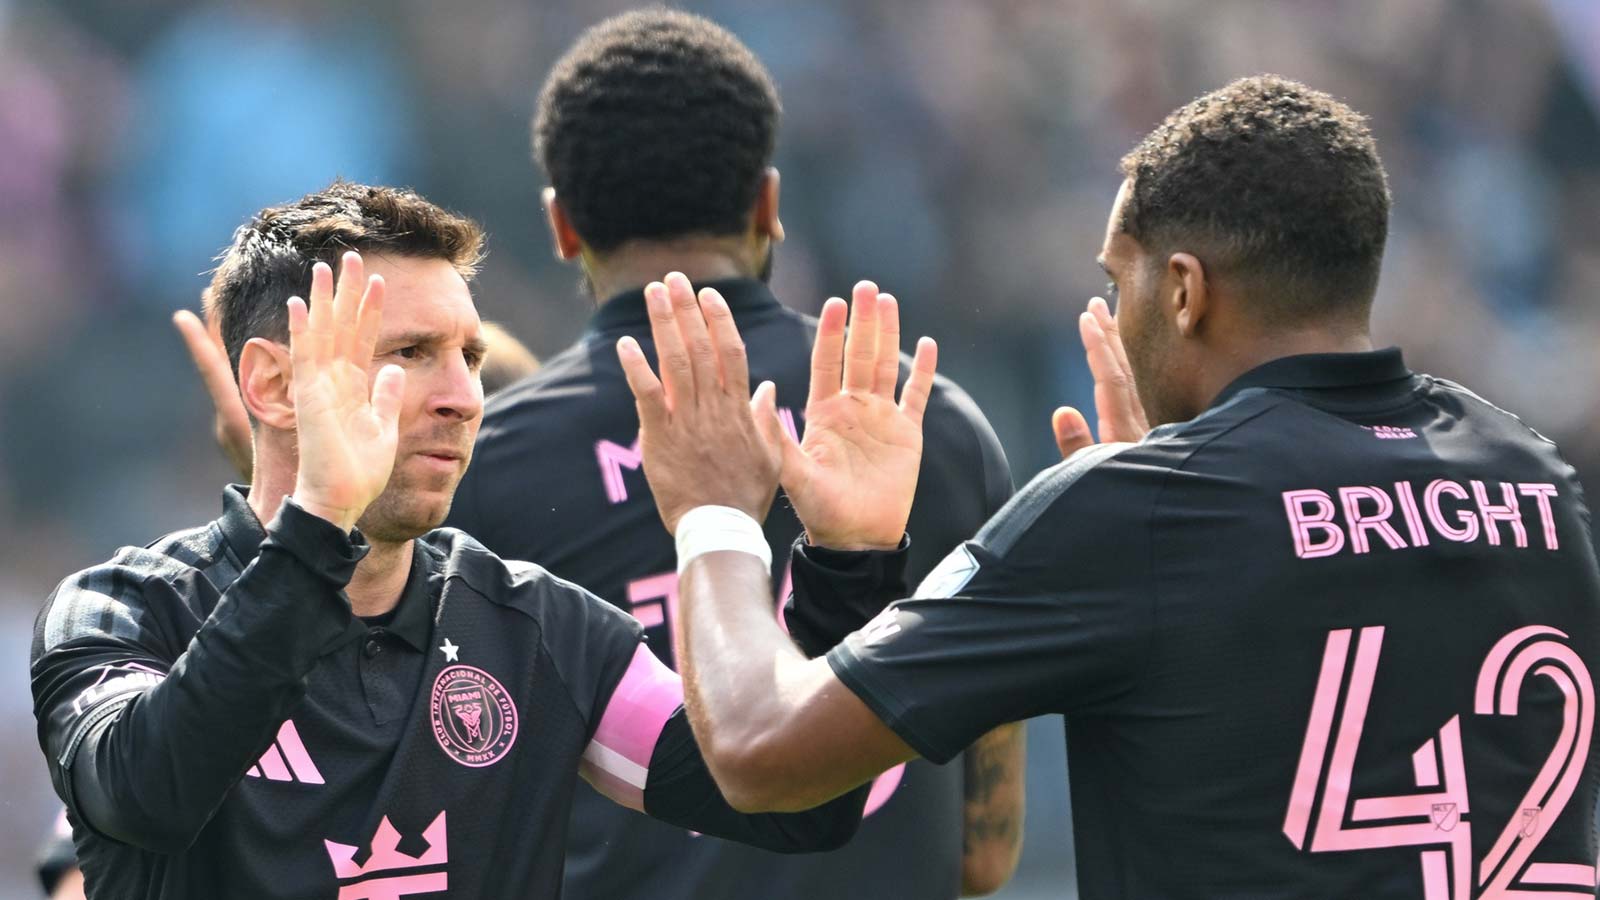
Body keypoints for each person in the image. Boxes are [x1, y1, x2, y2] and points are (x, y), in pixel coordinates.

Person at [617, 75, 1600, 899]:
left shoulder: (1138, 513)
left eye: (1115, 281)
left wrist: (712, 513)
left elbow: (756, 749)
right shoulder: (1534, 478)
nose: (1111, 313)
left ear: (1182, 289)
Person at [29, 182, 871, 899]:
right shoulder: (123, 611)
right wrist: (319, 520)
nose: (466, 397)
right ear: (273, 385)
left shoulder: (535, 627)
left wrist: (849, 563)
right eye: (413, 353)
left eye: (468, 356)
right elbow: (147, 795)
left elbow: (794, 797)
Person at [443, 10, 1023, 898]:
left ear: (562, 226)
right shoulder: (930, 422)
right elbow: (984, 852)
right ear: (767, 206)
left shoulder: (483, 468)